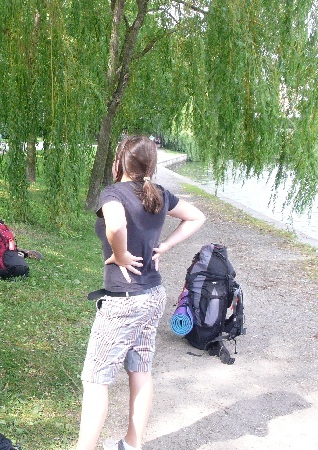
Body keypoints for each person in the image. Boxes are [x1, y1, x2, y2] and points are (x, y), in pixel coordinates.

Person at [75, 135, 205, 450]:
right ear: (150, 165)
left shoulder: (113, 193)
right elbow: (196, 217)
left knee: (95, 380)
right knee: (141, 370)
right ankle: (131, 444)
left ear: (118, 162)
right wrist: (166, 245)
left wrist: (120, 254)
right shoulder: (159, 194)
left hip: (124, 302)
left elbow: (116, 225)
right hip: (152, 296)